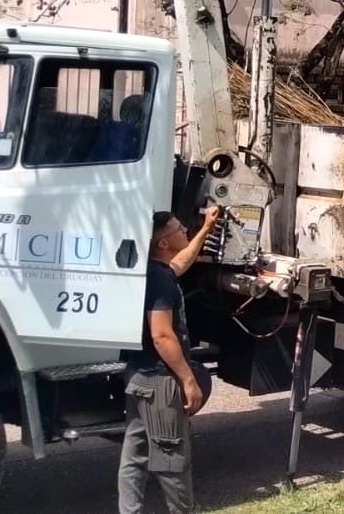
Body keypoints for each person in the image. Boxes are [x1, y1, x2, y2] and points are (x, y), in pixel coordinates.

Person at [118, 205, 220, 514]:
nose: (185, 230)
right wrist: (187, 379)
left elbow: (181, 261)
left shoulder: (153, 271)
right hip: (160, 382)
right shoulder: (160, 281)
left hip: (139, 376)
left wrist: (205, 229)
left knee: (134, 457)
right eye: (179, 229)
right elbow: (162, 335)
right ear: (163, 242)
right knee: (172, 459)